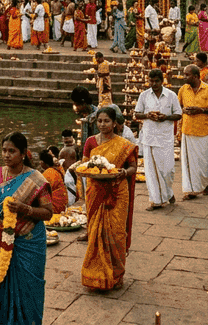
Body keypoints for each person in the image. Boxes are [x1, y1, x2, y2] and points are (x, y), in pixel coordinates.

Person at [0, 131, 52, 323]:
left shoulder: (36, 180)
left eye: (12, 151)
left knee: (28, 292)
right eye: (4, 150)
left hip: (28, 242)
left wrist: (25, 209)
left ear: (23, 153)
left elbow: (48, 212)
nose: (6, 155)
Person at [81, 107, 138, 290]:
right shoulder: (90, 142)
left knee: (116, 233)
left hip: (118, 190)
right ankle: (95, 275)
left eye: (106, 121)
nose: (102, 125)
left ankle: (116, 274)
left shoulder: (123, 144)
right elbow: (84, 165)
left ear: (115, 123)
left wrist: (123, 173)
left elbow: (133, 167)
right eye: (99, 121)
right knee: (95, 233)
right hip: (96, 190)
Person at [134, 69, 181, 210]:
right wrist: (148, 115)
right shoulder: (144, 96)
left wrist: (165, 117)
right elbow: (137, 114)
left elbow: (178, 114)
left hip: (165, 137)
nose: (153, 84)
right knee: (151, 171)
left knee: (168, 170)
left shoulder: (171, 96)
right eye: (151, 81)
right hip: (149, 137)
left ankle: (168, 192)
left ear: (162, 81)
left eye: (156, 81)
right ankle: (156, 200)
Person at [177, 64, 208, 200]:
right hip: (188, 130)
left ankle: (204, 185)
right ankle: (191, 190)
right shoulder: (183, 90)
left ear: (195, 76)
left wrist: (201, 110)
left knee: (204, 162)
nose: (184, 77)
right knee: (188, 163)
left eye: (187, 75)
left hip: (204, 131)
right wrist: (183, 111)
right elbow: (178, 107)